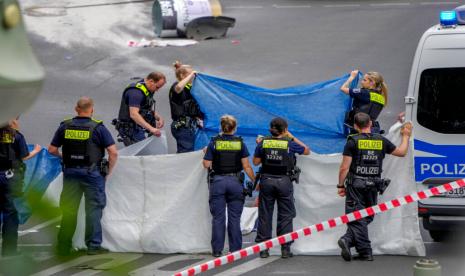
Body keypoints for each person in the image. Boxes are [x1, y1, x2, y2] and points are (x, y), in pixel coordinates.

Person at [337, 112, 412, 262]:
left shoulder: (352, 141)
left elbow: (344, 168)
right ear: (370, 124)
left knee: (358, 217)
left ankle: (361, 249)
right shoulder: (381, 140)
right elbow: (402, 152)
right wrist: (406, 136)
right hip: (373, 186)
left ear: (355, 126)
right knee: (366, 216)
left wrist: (340, 185)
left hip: (356, 185)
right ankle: (350, 241)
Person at [48, 97, 118, 256]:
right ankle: (93, 246)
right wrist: (108, 172)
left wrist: (64, 158)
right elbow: (113, 152)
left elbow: (52, 149)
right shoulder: (98, 128)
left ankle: (64, 246)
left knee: (69, 210)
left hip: (71, 173)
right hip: (92, 174)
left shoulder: (65, 126)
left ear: (76, 109)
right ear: (91, 110)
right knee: (93, 210)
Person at [253, 117, 310, 258]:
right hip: (284, 181)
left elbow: (255, 162)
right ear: (284, 130)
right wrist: (292, 137)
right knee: (285, 215)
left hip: (266, 181)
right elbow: (307, 150)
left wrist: (259, 146)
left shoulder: (263, 142)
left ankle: (264, 249)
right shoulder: (289, 143)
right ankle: (285, 249)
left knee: (265, 215)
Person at [203, 115, 255, 257]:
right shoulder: (240, 143)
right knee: (234, 218)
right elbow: (247, 166)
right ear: (234, 128)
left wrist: (206, 154)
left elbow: (206, 164)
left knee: (218, 218)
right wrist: (256, 181)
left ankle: (217, 250)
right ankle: (235, 249)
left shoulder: (213, 143)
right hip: (235, 183)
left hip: (218, 183)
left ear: (221, 127)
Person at [0, 118, 41, 257]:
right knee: (10, 213)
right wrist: (36, 150)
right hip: (10, 178)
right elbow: (24, 156)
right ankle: (9, 250)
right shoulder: (16, 136)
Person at [115, 72, 166, 146]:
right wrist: (151, 129)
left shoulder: (147, 88)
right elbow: (134, 114)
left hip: (139, 126)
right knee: (142, 153)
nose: (157, 90)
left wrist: (159, 117)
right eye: (157, 87)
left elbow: (145, 108)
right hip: (131, 128)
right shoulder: (136, 92)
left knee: (148, 149)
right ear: (151, 81)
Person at [170, 61, 204, 153]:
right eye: (190, 73)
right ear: (182, 75)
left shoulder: (191, 89)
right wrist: (191, 74)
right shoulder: (176, 86)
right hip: (182, 127)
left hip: (190, 126)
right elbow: (178, 88)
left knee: (191, 151)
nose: (193, 76)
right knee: (186, 153)